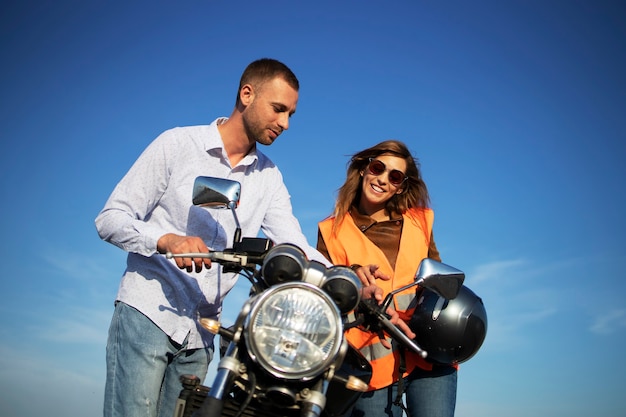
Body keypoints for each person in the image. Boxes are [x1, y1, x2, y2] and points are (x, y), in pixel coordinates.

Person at [95, 58, 336, 417]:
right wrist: (168, 239)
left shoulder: (268, 177)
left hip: (203, 333)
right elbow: (110, 219)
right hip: (149, 313)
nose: (285, 123)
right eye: (278, 109)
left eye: (291, 115)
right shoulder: (178, 144)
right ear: (247, 94)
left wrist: (346, 276)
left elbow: (294, 243)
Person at [317, 140, 457, 417]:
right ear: (363, 169)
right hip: (372, 363)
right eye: (378, 168)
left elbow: (438, 278)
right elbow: (326, 289)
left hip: (429, 354)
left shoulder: (420, 222)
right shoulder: (331, 231)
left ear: (401, 186)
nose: (382, 179)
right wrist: (353, 275)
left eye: (395, 176)